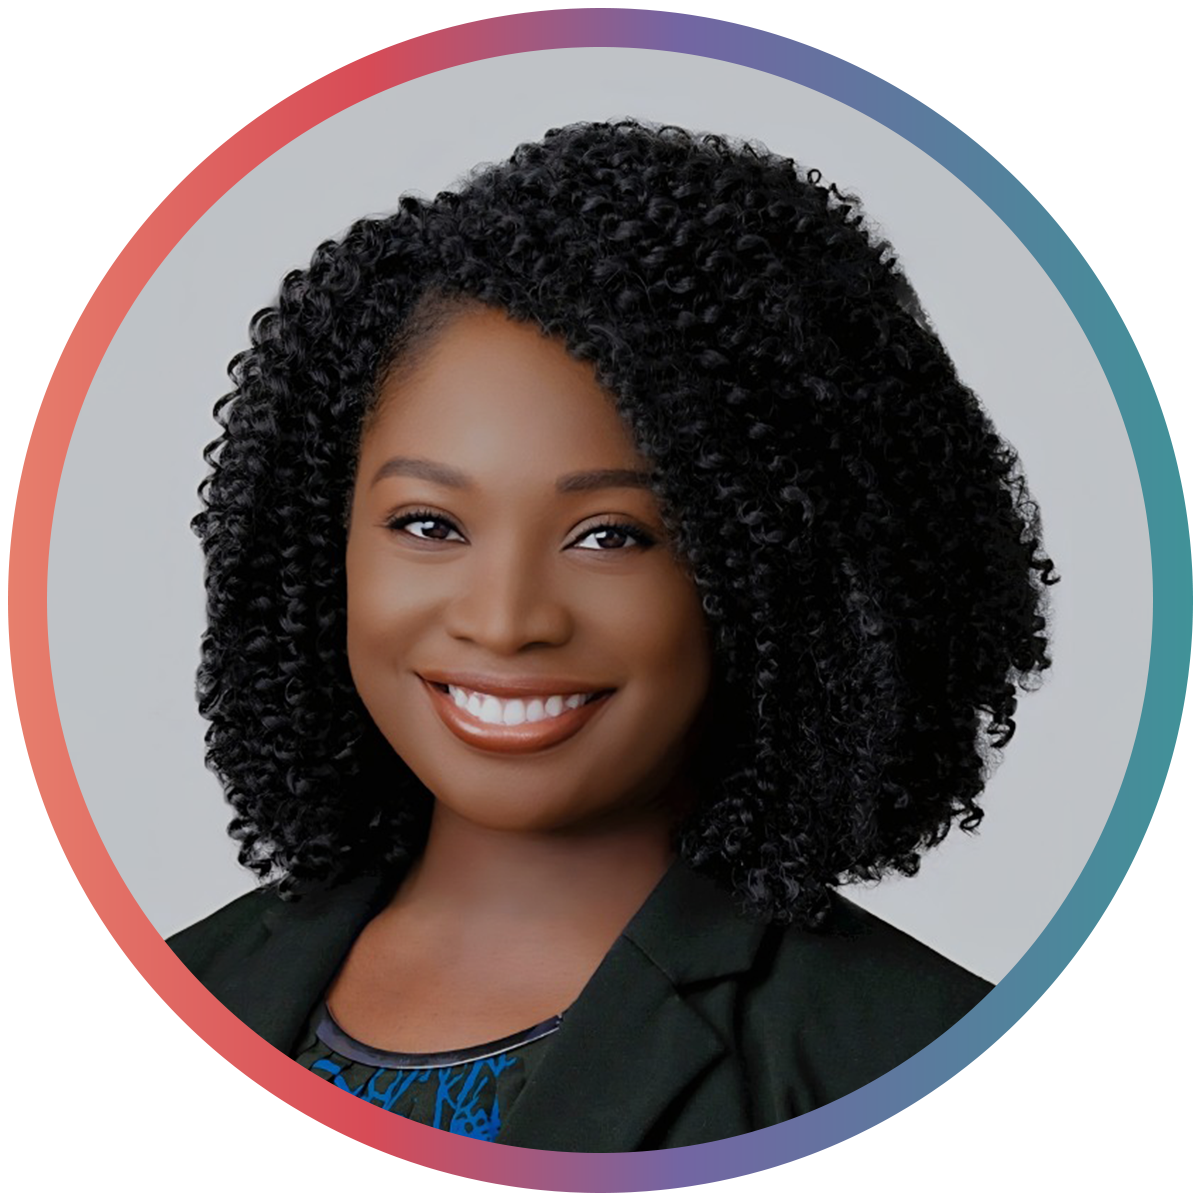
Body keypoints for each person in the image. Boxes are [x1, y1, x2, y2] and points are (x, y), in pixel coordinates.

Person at [168, 119, 1057, 1150]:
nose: (504, 621)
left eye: (611, 536)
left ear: (775, 577)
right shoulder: (187, 984)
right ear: (326, 546)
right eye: (428, 525)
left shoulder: (920, 1065)